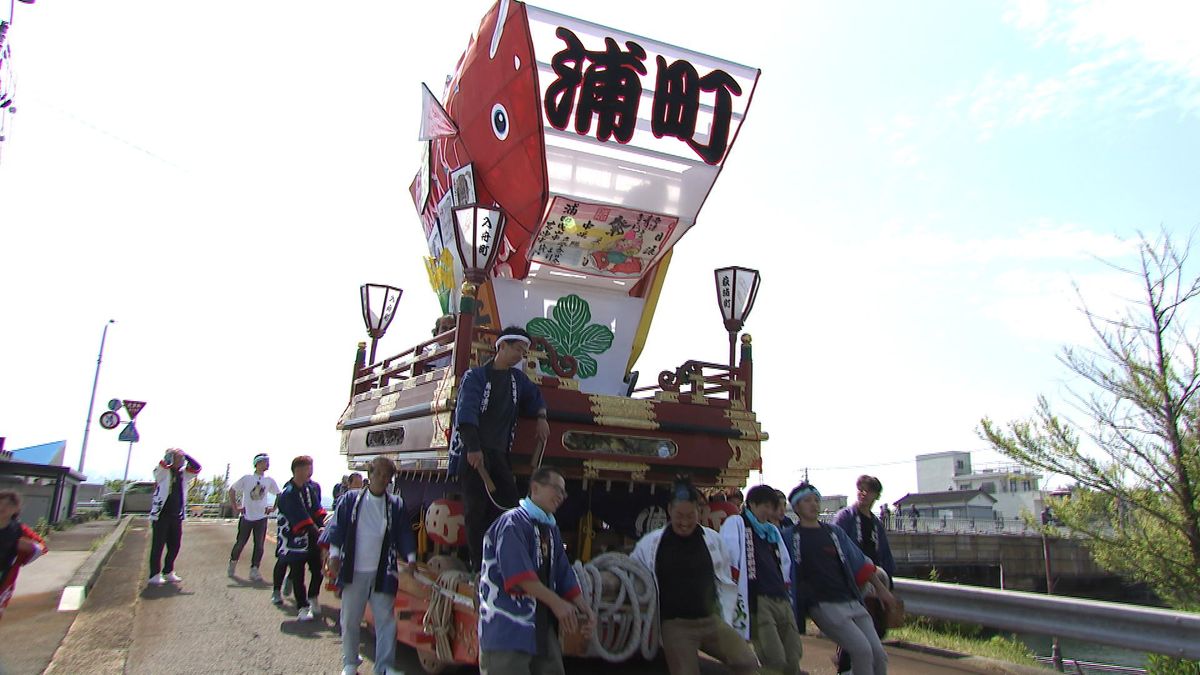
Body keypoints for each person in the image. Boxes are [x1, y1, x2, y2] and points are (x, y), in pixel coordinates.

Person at [448, 326, 549, 572]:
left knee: (508, 506)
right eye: (517, 349)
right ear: (501, 346)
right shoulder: (476, 377)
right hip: (475, 453)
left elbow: (534, 396)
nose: (520, 356)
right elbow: (466, 413)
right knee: (476, 511)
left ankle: (503, 560)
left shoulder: (517, 380)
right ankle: (477, 565)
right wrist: (472, 448)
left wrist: (542, 417)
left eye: (524, 352)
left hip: (499, 453)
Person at [632, 478, 758, 675]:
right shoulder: (651, 544)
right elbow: (632, 573)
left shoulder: (713, 540)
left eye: (690, 515)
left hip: (710, 621)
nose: (684, 522)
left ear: (699, 511)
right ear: (669, 510)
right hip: (676, 625)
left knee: (747, 662)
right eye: (679, 515)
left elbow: (724, 577)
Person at [477, 467, 595, 674]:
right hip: (507, 627)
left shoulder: (550, 529)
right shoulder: (512, 522)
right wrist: (557, 603)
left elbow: (563, 572)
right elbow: (520, 577)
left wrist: (584, 607)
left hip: (540, 628)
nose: (560, 496)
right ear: (535, 488)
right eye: (556, 489)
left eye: (564, 492)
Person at [786, 482, 896, 675]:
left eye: (816, 500)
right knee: (861, 651)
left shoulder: (834, 533)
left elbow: (860, 562)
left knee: (878, 654)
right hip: (823, 604)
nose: (813, 505)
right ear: (796, 507)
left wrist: (881, 588)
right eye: (807, 501)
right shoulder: (790, 537)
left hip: (851, 600)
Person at [326, 456, 417, 675]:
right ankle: (349, 662)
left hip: (382, 572)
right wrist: (334, 554)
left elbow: (404, 532)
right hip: (354, 569)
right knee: (350, 619)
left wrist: (412, 558)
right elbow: (337, 528)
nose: (382, 479)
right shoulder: (350, 500)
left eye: (387, 476)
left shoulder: (395, 504)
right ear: (370, 474)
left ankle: (384, 667)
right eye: (378, 474)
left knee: (386, 622)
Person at [720, 485, 802, 675]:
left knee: (793, 656)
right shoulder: (737, 523)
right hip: (757, 599)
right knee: (773, 658)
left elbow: (785, 564)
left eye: (771, 507)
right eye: (764, 506)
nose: (768, 511)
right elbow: (729, 556)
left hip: (780, 597)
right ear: (751, 505)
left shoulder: (772, 532)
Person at [833, 476, 897, 673]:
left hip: (874, 581)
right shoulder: (845, 517)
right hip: (852, 581)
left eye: (867, 490)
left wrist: (888, 584)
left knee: (874, 628)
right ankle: (844, 668)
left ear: (876, 496)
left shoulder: (876, 524)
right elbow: (835, 546)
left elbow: (884, 555)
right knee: (852, 630)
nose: (863, 493)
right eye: (860, 488)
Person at [273, 455, 326, 620]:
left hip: (311, 537)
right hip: (292, 539)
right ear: (298, 470)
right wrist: (320, 534)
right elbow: (301, 518)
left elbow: (317, 512)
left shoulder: (310, 489)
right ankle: (302, 606)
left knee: (318, 570)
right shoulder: (288, 493)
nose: (311, 471)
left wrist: (324, 527)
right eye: (308, 468)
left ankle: (313, 597)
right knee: (297, 573)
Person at [147, 447, 201, 586]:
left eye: (182, 458)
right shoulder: (162, 471)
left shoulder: (183, 474)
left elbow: (197, 467)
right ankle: (154, 574)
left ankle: (168, 571)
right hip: (161, 515)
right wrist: (170, 455)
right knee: (158, 546)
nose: (182, 460)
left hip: (176, 515)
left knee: (175, 545)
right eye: (179, 458)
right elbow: (163, 465)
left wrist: (186, 454)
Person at [227, 453, 281, 581]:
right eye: (264, 461)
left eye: (268, 461)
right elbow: (232, 490)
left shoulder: (269, 480)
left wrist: (273, 508)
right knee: (240, 543)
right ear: (257, 463)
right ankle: (233, 563)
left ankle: (254, 569)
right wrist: (235, 506)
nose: (267, 464)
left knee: (259, 545)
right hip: (247, 516)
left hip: (261, 517)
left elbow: (279, 493)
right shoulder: (247, 478)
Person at [0, 491, 48, 622]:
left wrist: (29, 547)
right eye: (0, 503)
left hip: (4, 577)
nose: (2, 507)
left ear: (16, 509)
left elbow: (42, 547)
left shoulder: (19, 529)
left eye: (8, 504)